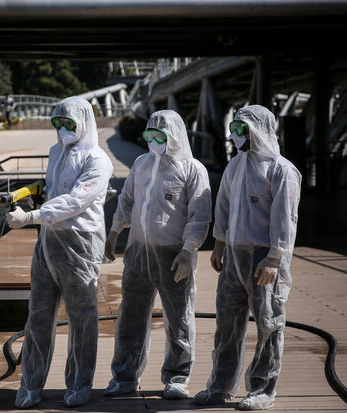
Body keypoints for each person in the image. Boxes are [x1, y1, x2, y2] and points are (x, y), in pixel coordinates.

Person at [5, 96, 113, 408]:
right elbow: (55, 189)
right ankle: (30, 385)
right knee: (38, 316)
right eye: (57, 122)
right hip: (48, 243)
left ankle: (80, 384)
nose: (62, 129)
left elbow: (76, 201)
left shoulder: (98, 160)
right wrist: (37, 192)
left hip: (80, 242)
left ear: (84, 123)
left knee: (81, 318)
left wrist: (30, 217)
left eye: (69, 123)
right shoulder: (56, 151)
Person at [193, 105, 301, 410]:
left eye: (243, 130)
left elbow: (286, 218)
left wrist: (274, 257)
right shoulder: (235, 166)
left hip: (263, 259)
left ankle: (263, 388)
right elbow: (224, 207)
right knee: (227, 324)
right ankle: (220, 385)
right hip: (234, 258)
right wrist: (219, 243)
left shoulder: (281, 170)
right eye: (235, 129)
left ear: (259, 131)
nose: (236, 135)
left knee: (268, 323)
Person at [103, 110, 212, 399]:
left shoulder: (192, 169)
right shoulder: (141, 163)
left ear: (174, 136)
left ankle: (177, 377)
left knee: (179, 318)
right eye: (149, 135)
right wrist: (114, 231)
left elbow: (199, 216)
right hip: (138, 255)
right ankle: (125, 377)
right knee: (131, 316)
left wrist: (189, 251)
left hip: (173, 255)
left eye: (159, 136)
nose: (153, 140)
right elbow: (127, 200)